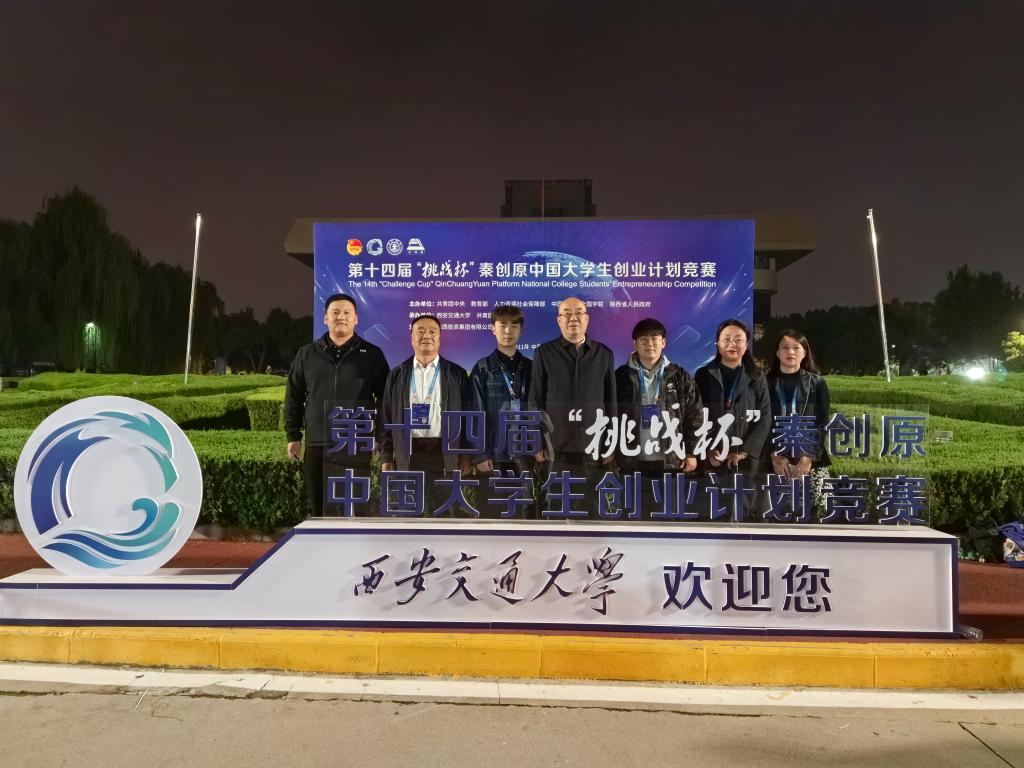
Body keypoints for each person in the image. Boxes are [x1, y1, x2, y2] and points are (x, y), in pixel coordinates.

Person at [284, 293, 389, 517]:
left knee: (357, 509)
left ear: (356, 319)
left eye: (347, 313)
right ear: (325, 318)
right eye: (336, 313)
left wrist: (380, 438)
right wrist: (293, 435)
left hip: (355, 444)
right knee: (321, 510)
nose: (341, 317)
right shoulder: (307, 354)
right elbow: (293, 395)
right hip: (318, 444)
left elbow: (384, 400)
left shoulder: (372, 354)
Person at [529, 296, 616, 517]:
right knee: (555, 508)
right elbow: (535, 400)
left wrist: (610, 443)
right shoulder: (544, 353)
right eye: (566, 313)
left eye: (578, 313)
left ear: (587, 319)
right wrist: (537, 440)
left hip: (593, 445)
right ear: (559, 320)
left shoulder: (604, 354)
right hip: (555, 446)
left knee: (593, 509)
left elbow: (611, 402)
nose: (573, 318)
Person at [378, 315, 473, 516]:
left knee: (445, 514)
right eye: (420, 331)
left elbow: (467, 417)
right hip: (408, 455)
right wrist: (386, 457)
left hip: (444, 455)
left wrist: (465, 455)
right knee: (409, 516)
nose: (426, 336)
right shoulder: (397, 374)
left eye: (432, 331)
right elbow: (386, 418)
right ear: (411, 338)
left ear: (439, 338)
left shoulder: (456, 373)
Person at [615, 318, 702, 518]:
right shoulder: (620, 376)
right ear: (634, 344)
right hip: (631, 458)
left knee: (670, 516)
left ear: (663, 342)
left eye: (655, 339)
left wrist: (691, 452)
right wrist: (611, 453)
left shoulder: (680, 376)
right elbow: (610, 415)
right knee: (633, 515)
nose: (650, 344)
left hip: (670, 459)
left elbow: (695, 415)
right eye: (644, 340)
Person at [693, 319, 771, 520]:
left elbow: (764, 417)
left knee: (746, 516)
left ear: (746, 345)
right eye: (726, 339)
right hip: (713, 459)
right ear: (717, 343)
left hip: (745, 461)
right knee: (713, 514)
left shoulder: (757, 376)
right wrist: (708, 449)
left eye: (738, 339)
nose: (732, 344)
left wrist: (745, 451)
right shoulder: (703, 375)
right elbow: (696, 415)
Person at [469, 305, 534, 518]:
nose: (508, 331)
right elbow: (476, 414)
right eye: (502, 325)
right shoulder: (482, 368)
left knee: (523, 515)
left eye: (514, 325)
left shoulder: (532, 368)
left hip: (525, 456)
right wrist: (480, 455)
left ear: (521, 330)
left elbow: (540, 410)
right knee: (492, 515)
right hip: (493, 458)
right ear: (493, 329)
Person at [763, 329, 831, 488]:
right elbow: (759, 422)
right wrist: (773, 453)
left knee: (815, 501)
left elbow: (822, 423)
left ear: (804, 353)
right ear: (777, 353)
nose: (790, 352)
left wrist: (808, 456)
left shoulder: (817, 383)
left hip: (808, 460)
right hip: (775, 460)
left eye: (796, 348)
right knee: (776, 502)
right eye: (785, 347)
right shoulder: (764, 383)